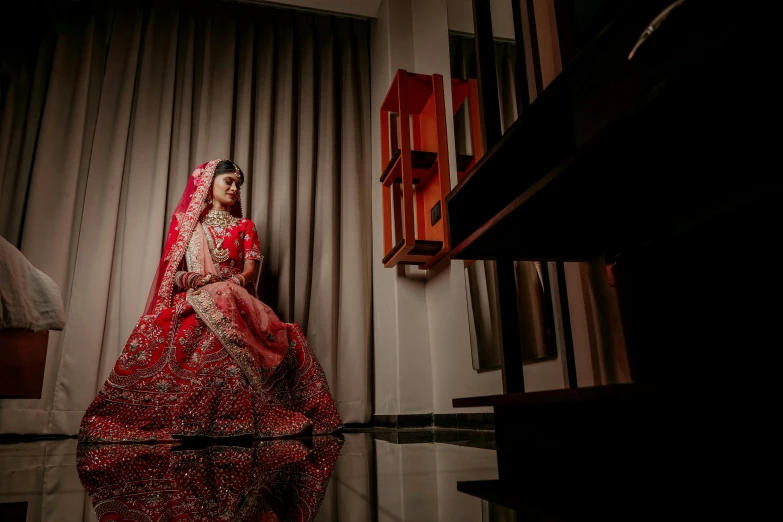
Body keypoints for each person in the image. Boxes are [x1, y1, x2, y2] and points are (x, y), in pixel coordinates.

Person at [79, 159, 342, 442]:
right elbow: (172, 273)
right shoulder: (186, 226)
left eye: (238, 185)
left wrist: (232, 283)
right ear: (207, 184)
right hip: (197, 296)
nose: (234, 188)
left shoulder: (244, 226)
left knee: (232, 302)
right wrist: (195, 280)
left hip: (235, 294)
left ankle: (233, 418)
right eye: (228, 181)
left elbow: (251, 270)